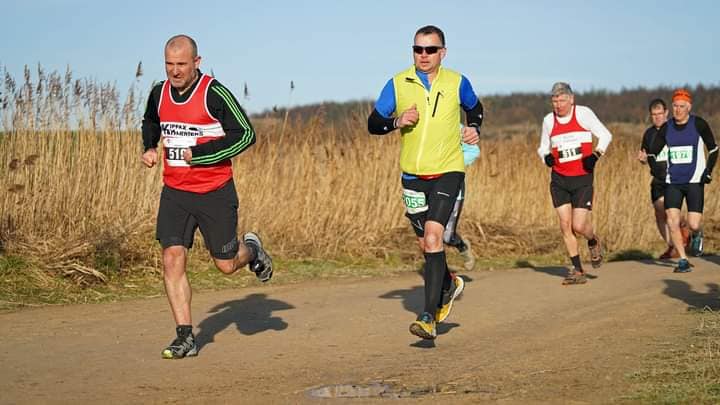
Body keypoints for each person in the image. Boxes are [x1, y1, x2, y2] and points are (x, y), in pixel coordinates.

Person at [141, 34, 273, 359]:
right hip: (175, 192)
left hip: (215, 192)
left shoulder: (214, 93)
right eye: (169, 64)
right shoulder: (159, 92)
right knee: (171, 258)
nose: (175, 71)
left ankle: (252, 250)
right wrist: (149, 146)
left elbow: (245, 134)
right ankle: (185, 337)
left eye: (181, 64)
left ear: (196, 62)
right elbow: (151, 121)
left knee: (226, 264)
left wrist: (200, 155)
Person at [367, 25, 484, 340]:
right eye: (418, 49)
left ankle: (428, 317)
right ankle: (449, 283)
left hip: (448, 171)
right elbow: (373, 123)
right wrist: (397, 121)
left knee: (434, 238)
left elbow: (475, 109)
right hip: (412, 176)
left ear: (442, 52)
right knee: (425, 245)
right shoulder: (398, 83)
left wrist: (474, 127)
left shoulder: (457, 82)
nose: (423, 55)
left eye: (430, 49)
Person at [537, 82, 612, 285]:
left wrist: (596, 155)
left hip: (582, 179)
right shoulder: (548, 121)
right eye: (554, 100)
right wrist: (546, 157)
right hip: (559, 180)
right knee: (565, 225)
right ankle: (578, 270)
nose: (558, 105)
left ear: (571, 99)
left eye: (562, 100)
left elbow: (606, 135)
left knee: (578, 226)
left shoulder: (583, 114)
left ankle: (593, 240)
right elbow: (542, 147)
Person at [647, 88, 717, 273]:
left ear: (689, 107)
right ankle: (683, 260)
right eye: (675, 106)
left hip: (694, 181)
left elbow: (713, 149)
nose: (678, 110)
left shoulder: (699, 124)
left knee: (693, 223)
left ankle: (697, 233)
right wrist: (655, 169)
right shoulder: (667, 127)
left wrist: (708, 171)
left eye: (681, 106)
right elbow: (652, 152)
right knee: (672, 220)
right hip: (673, 182)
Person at [637, 98, 688, 259]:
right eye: (654, 115)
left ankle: (685, 229)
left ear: (666, 113)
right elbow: (645, 156)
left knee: (670, 211)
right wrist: (642, 159)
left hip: (674, 178)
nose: (657, 117)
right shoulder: (649, 134)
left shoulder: (676, 129)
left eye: (660, 114)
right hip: (658, 179)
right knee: (659, 213)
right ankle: (672, 246)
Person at [443, 133, 480, 271]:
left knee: (447, 236)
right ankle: (439, 272)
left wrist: (453, 165)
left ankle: (462, 247)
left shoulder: (458, 129)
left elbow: (473, 151)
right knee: (429, 233)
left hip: (454, 189)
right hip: (427, 187)